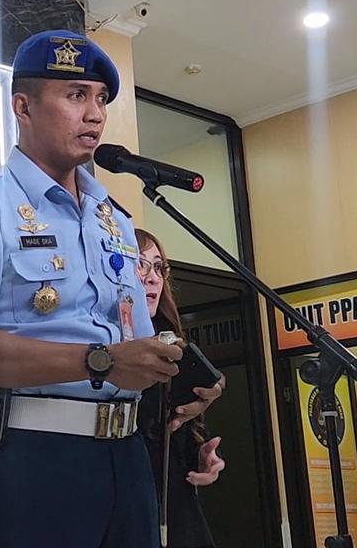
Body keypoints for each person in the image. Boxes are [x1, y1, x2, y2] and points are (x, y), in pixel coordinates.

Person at [0, 29, 183, 548]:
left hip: (128, 451)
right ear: (22, 105)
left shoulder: (115, 219)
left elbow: (134, 336)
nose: (95, 114)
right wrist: (100, 362)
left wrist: (175, 378)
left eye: (101, 98)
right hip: (32, 456)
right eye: (75, 96)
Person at [133, 228, 225, 548]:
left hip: (173, 501)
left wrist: (196, 455)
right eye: (139, 264)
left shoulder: (170, 343)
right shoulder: (98, 348)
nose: (152, 278)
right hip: (122, 493)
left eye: (158, 267)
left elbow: (175, 422)